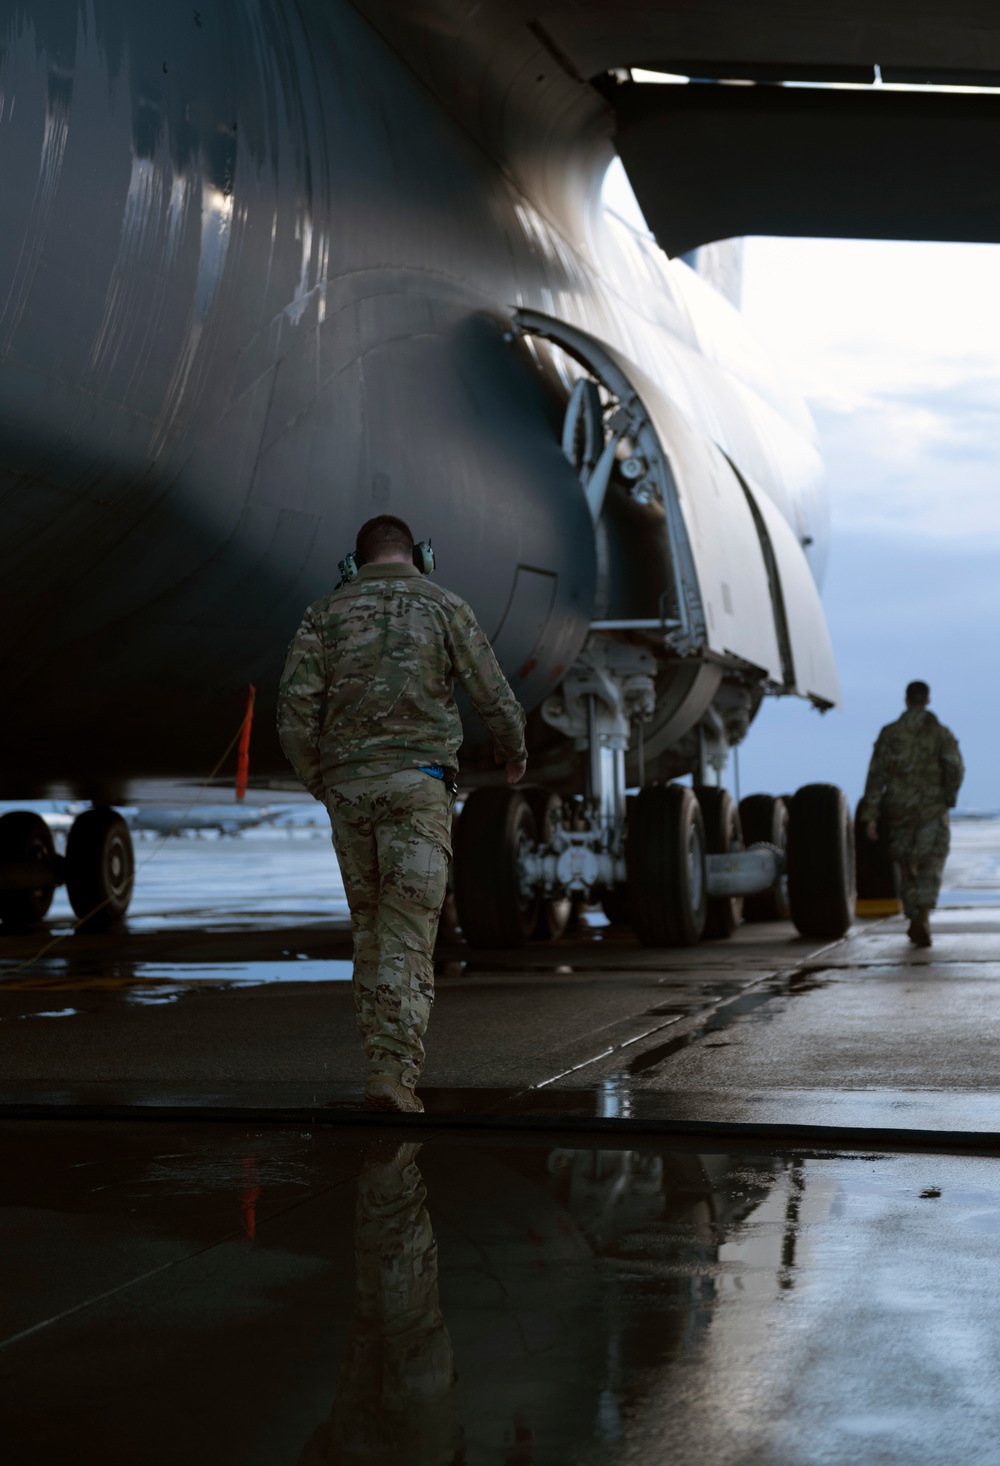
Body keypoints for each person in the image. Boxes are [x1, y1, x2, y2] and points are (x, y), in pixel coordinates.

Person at [277, 514, 527, 1113]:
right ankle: (391, 1075)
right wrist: (512, 748)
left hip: (348, 790)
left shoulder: (324, 613)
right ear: (419, 555)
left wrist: (321, 779)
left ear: (355, 561)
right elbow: (491, 690)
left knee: (370, 929)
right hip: (418, 786)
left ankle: (380, 1062)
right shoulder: (446, 606)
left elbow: (292, 714)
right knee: (407, 931)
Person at [859, 681, 964, 948]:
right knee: (931, 861)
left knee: (906, 864)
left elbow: (876, 776)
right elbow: (955, 767)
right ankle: (923, 915)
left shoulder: (890, 733)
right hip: (932, 810)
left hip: (899, 810)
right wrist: (948, 797)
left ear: (906, 700)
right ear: (927, 700)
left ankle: (913, 915)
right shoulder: (940, 733)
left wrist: (871, 815)